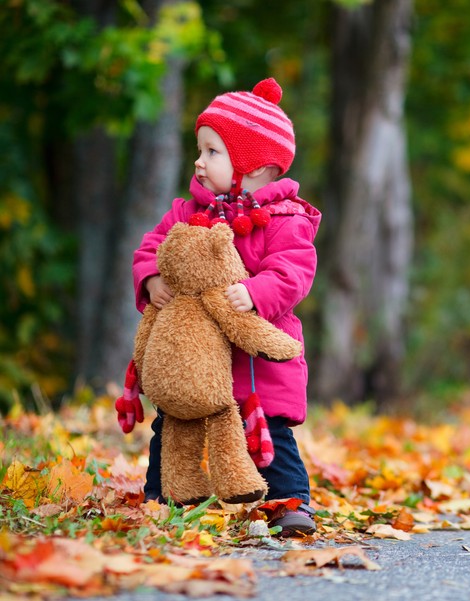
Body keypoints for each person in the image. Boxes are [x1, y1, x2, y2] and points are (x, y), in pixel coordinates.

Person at [131, 78, 321, 536]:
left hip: (258, 363)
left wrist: (256, 294)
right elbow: (150, 248)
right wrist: (152, 278)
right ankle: (164, 497)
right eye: (200, 150)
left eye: (213, 152)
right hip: (196, 360)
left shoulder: (284, 219)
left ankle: (289, 504)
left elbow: (294, 271)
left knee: (269, 436)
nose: (199, 161)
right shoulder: (186, 213)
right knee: (172, 425)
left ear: (256, 166)